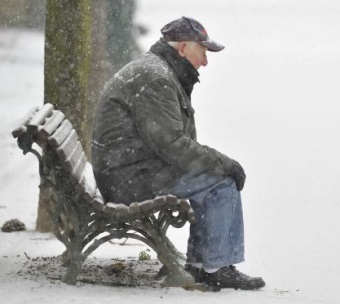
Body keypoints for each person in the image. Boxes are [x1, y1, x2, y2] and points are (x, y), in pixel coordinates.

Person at [91, 16, 265, 291]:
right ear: (183, 48)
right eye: (203, 51)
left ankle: (201, 265)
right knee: (221, 183)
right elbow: (172, 144)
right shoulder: (156, 78)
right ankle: (216, 267)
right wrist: (224, 163)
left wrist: (210, 162)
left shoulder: (158, 71)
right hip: (129, 179)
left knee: (211, 175)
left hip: (126, 170)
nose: (205, 61)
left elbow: (170, 142)